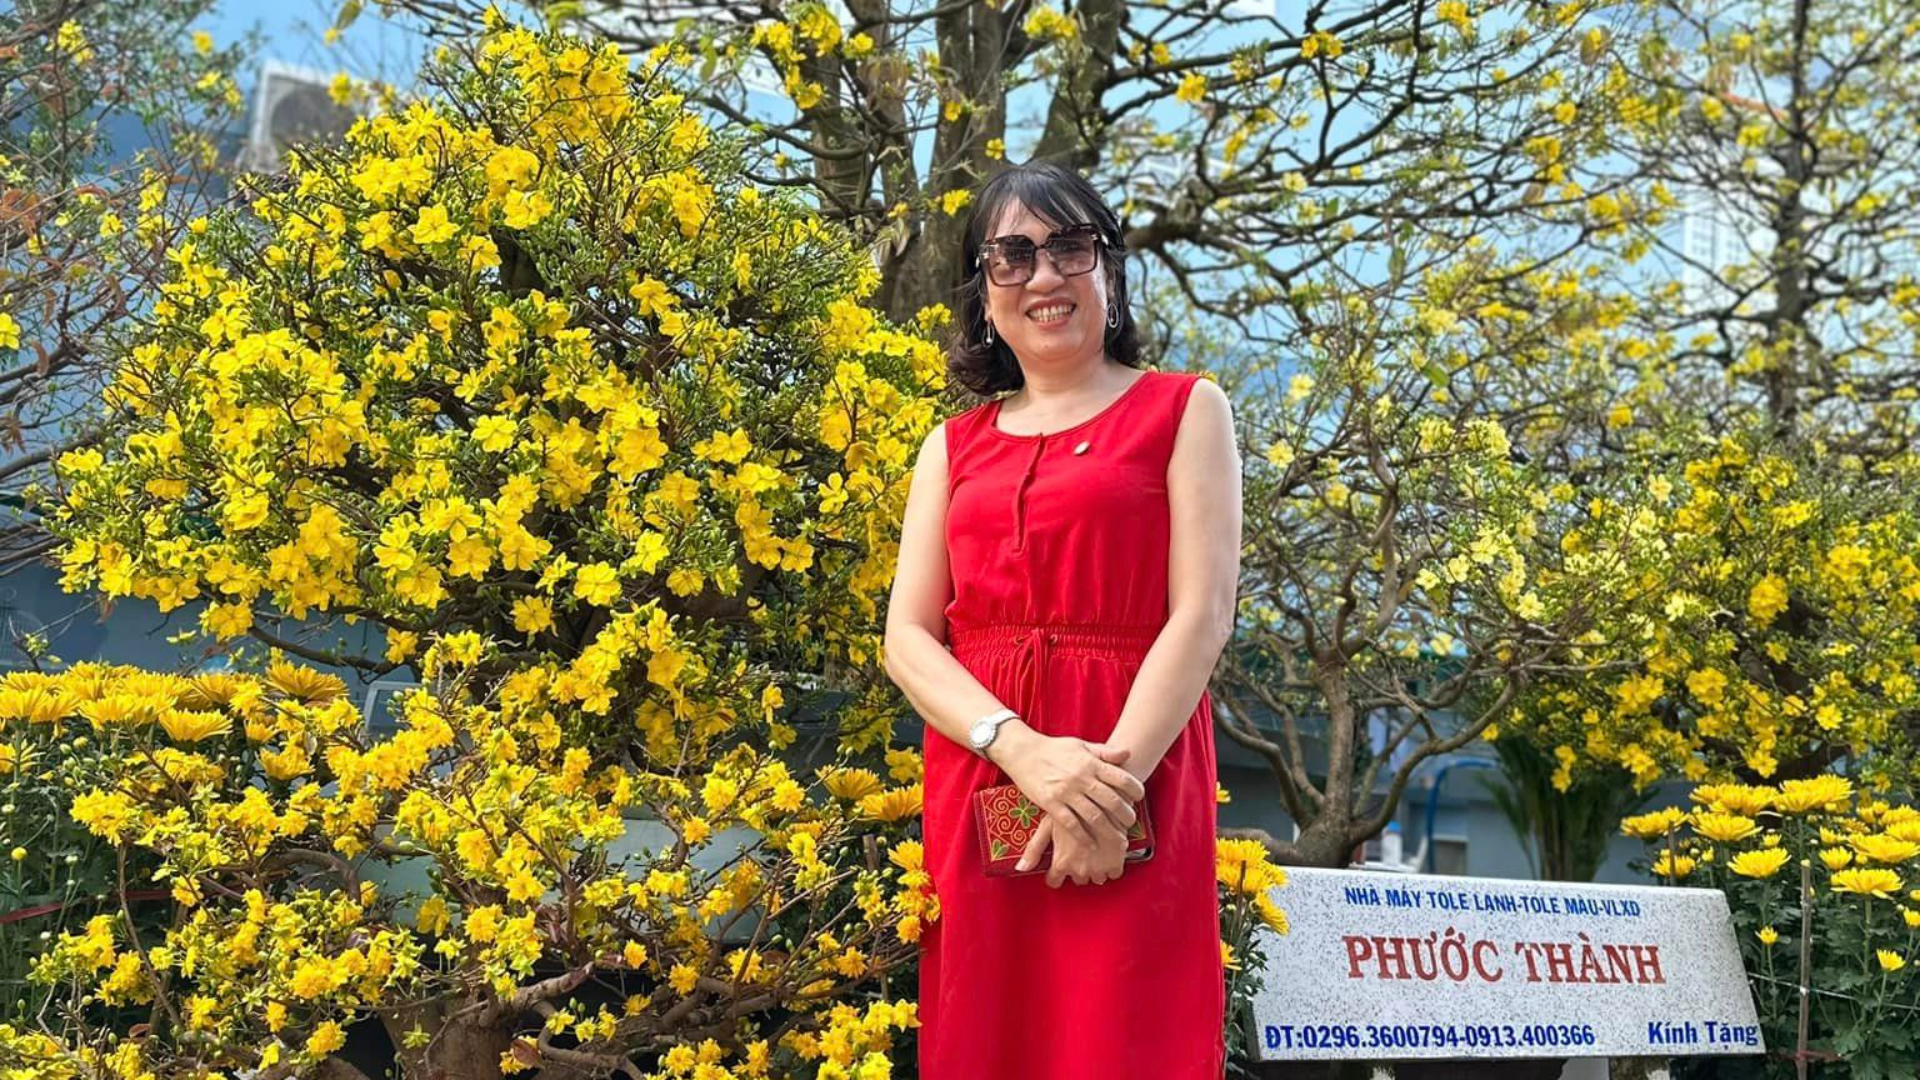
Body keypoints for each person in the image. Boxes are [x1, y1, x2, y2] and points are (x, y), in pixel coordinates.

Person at [882, 161, 1244, 1080]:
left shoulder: (1185, 410)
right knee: (985, 1036)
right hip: (982, 779)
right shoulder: (949, 447)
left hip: (1135, 775)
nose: (1043, 276)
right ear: (984, 292)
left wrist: (1099, 795)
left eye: (1069, 248)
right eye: (1011, 256)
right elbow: (908, 639)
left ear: (1109, 268)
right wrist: (1024, 753)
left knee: (1126, 1034)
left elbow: (1202, 616)